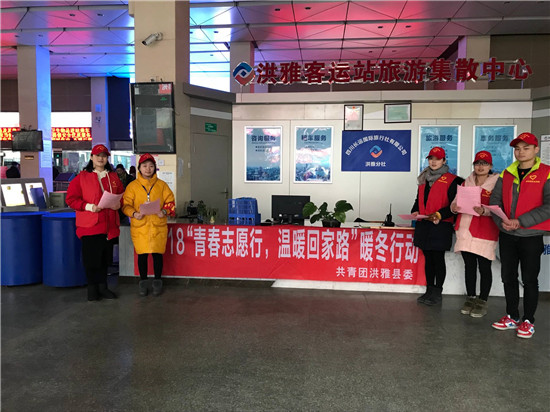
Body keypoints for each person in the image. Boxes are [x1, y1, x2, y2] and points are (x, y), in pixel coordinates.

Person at [489, 132, 550, 339]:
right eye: (517, 148)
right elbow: (495, 202)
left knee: (529, 279)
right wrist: (502, 222)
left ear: (536, 150)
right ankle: (512, 316)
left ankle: (528, 320)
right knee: (508, 277)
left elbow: (549, 206)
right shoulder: (506, 173)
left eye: (526, 148)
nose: (521, 152)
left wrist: (520, 221)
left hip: (531, 235)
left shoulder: (546, 173)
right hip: (507, 234)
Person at [66, 144, 124, 301]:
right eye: (98, 155)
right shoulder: (81, 178)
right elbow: (71, 199)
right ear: (91, 157)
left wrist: (119, 204)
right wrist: (89, 207)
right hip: (90, 226)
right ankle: (92, 289)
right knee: (91, 260)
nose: (101, 158)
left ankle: (103, 287)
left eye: (104, 156)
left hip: (109, 226)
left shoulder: (113, 177)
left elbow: (121, 196)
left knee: (105, 259)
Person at [411, 146, 464, 305]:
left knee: (438, 259)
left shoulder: (454, 180)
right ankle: (429, 290)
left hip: (441, 226)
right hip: (424, 225)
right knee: (428, 259)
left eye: (437, 159)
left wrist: (440, 215)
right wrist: (414, 211)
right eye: (431, 159)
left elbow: (456, 205)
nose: (433, 162)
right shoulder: (423, 179)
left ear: (444, 161)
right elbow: (418, 200)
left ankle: (437, 292)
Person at [450, 150, 499, 317]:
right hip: (465, 229)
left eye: (485, 163)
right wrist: (454, 207)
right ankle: (470, 297)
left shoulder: (496, 183)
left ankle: (482, 300)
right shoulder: (466, 182)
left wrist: (485, 210)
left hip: (485, 229)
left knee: (484, 267)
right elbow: (455, 201)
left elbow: (500, 207)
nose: (480, 166)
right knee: (469, 266)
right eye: (478, 163)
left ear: (490, 166)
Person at [122, 153, 175, 297]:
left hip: (158, 226)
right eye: (144, 166)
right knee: (142, 255)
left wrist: (164, 211)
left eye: (151, 166)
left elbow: (170, 202)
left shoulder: (162, 185)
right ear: (139, 168)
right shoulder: (132, 186)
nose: (148, 169)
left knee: (157, 255)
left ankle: (158, 281)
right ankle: (143, 282)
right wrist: (134, 213)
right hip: (141, 226)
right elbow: (125, 205)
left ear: (155, 168)